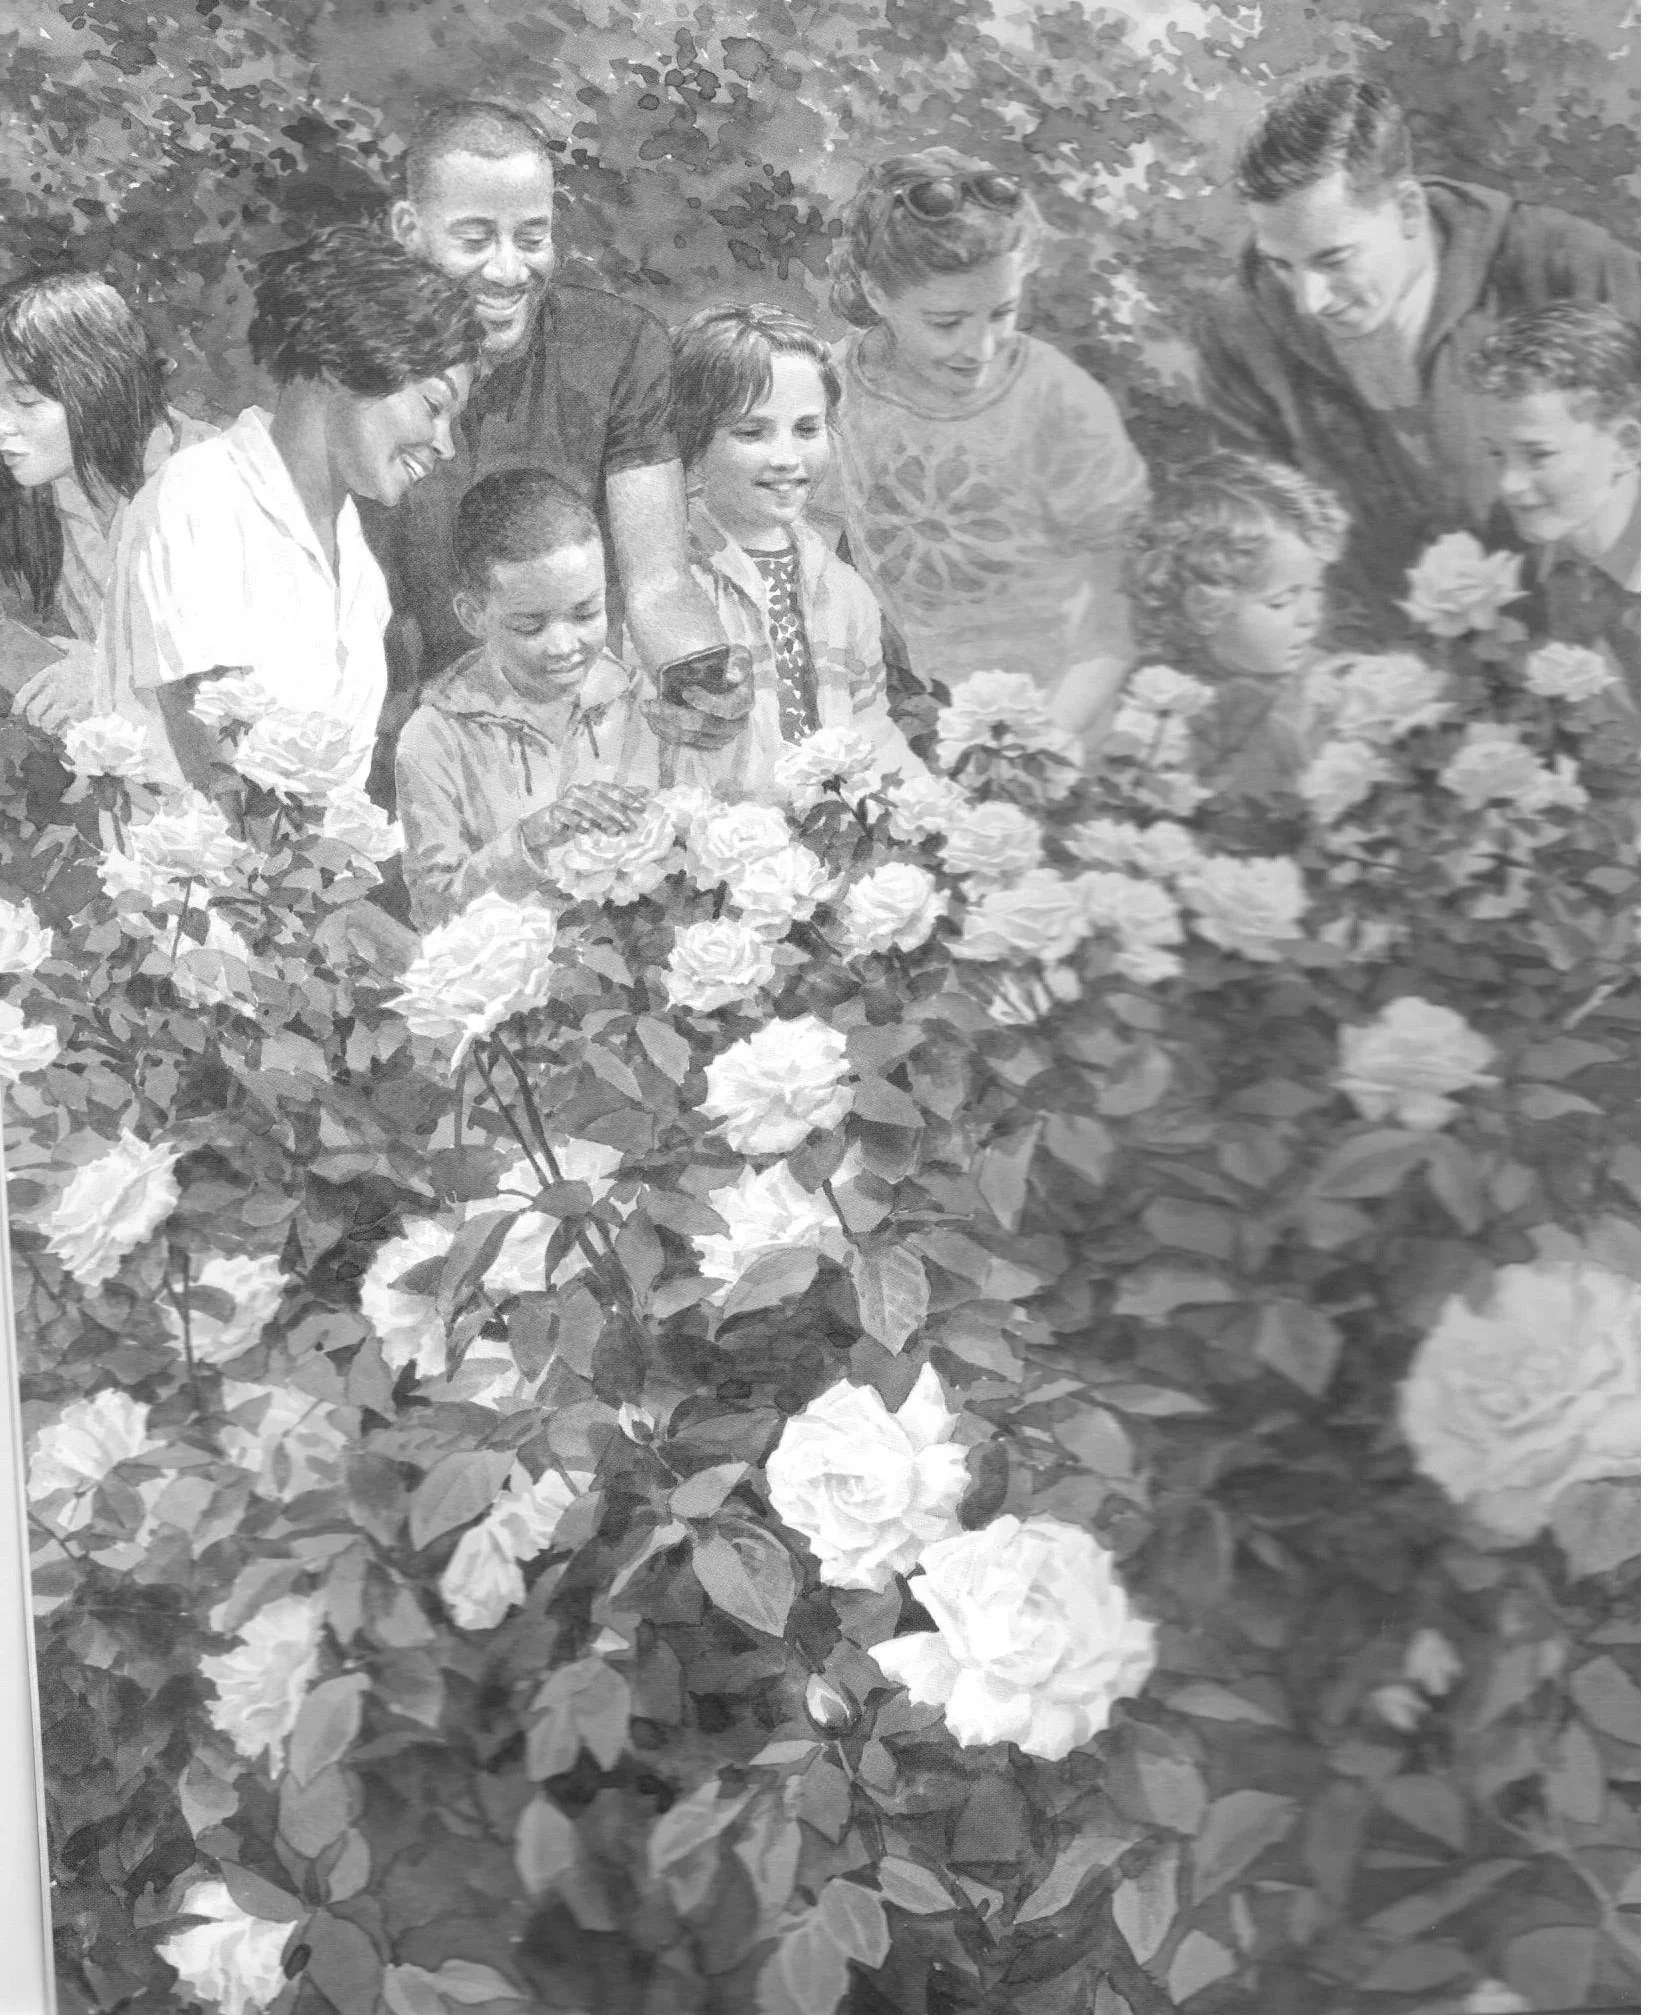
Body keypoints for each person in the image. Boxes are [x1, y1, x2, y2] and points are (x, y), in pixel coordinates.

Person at [369, 98, 750, 802]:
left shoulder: (617, 346)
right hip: (413, 742)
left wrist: (697, 674)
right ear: (408, 231)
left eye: (531, 236)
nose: (509, 272)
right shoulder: (360, 363)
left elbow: (657, 580)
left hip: (579, 729)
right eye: (475, 239)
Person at [1193, 75, 1639, 622]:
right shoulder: (1238, 327)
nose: (1310, 301)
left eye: (1334, 261)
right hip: (1375, 657)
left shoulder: (1562, 261)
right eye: (1281, 265)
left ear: (1407, 210)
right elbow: (1253, 532)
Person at [93, 226, 479, 795]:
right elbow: (227, 783)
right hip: (202, 879)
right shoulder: (200, 500)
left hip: (311, 877)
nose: (445, 445)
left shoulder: (356, 562)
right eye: (433, 405)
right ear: (340, 367)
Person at [817, 147, 1149, 743]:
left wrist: (1042, 741)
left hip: (1059, 709)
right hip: (900, 715)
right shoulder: (833, 388)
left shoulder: (1060, 399)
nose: (982, 348)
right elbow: (802, 552)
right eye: (946, 323)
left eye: (1003, 313)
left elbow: (1116, 611)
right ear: (875, 292)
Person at [666, 302, 923, 802]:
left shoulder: (842, 586)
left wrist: (921, 808)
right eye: (750, 432)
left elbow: (871, 725)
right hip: (708, 849)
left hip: (833, 838)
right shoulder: (672, 580)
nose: (786, 459)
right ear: (693, 441)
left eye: (807, 430)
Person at [395, 470, 659, 928]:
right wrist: (531, 840)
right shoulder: (433, 736)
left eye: (586, 613)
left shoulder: (644, 700)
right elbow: (432, 911)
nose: (564, 645)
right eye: (530, 626)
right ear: (473, 615)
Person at [0, 272, 218, 731]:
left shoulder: (210, 482)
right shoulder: (56, 487)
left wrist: (107, 680)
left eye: (25, 401)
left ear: (96, 387)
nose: (3, 425)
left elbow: (259, 674)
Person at [1127, 453, 1349, 803]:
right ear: (1206, 607)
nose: (1311, 615)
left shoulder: (1323, 683)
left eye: (1316, 590)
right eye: (1280, 602)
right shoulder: (1160, 707)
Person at [1469, 302, 1639, 709]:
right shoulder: (1518, 561)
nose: (1509, 484)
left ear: (1627, 445)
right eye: (1498, 455)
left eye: (1539, 455)